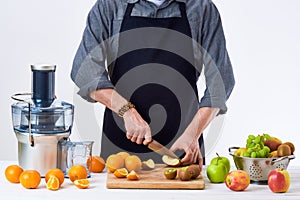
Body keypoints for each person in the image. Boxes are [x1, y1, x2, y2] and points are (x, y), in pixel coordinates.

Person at [71, 0, 235, 171]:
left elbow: (221, 81)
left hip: (184, 148)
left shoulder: (202, 9)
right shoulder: (109, 6)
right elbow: (85, 72)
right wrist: (126, 111)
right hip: (120, 151)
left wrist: (193, 134)